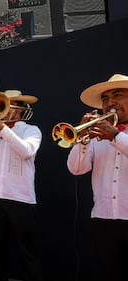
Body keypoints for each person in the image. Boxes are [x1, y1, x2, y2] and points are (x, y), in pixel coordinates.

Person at [0, 90, 42, 281]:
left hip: (20, 200)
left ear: (20, 110)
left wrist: (3, 128)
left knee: (28, 253)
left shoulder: (31, 130)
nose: (4, 109)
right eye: (4, 104)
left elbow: (26, 151)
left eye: (10, 105)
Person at [66, 74, 128, 280]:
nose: (110, 102)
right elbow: (76, 169)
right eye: (105, 98)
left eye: (117, 95)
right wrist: (83, 141)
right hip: (103, 221)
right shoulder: (97, 135)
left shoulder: (110, 135)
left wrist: (116, 137)